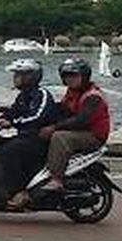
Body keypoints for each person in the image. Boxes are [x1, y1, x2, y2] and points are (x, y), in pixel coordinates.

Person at [38, 59, 110, 192]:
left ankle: (56, 179)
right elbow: (63, 109)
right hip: (82, 131)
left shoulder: (92, 96)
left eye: (73, 76)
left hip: (93, 136)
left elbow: (80, 120)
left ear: (84, 76)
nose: (69, 79)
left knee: (59, 138)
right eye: (66, 76)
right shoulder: (73, 91)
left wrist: (54, 127)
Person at [0, 59, 56, 210]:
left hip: (38, 139)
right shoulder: (24, 95)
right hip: (27, 137)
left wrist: (13, 122)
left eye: (19, 75)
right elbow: (16, 111)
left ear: (31, 77)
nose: (15, 78)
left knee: (9, 151)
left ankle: (19, 192)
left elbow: (37, 117)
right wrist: (2, 116)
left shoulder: (41, 94)